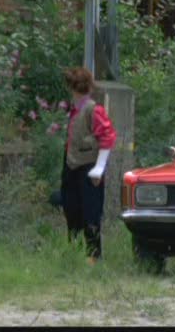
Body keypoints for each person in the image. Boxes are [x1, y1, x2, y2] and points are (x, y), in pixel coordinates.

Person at [61, 67, 117, 264]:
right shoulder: (74, 109)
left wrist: (100, 167)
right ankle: (74, 254)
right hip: (71, 165)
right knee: (71, 209)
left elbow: (108, 137)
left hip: (88, 167)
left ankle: (94, 256)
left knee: (90, 212)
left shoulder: (93, 109)